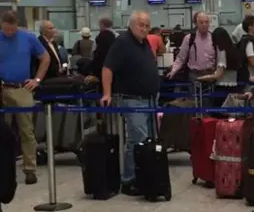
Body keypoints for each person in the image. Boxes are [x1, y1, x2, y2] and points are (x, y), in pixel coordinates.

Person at [100, 11, 159, 196]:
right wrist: (107, 93)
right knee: (136, 140)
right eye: (141, 24)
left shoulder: (144, 44)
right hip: (132, 99)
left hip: (148, 99)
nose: (144, 28)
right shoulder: (123, 43)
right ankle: (129, 179)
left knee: (145, 140)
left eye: (147, 25)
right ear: (132, 25)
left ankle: (142, 176)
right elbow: (107, 68)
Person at [0, 11, 49, 185]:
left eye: (12, 30)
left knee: (27, 130)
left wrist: (37, 79)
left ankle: (30, 169)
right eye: (6, 30)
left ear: (17, 25)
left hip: (22, 88)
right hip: (2, 87)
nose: (9, 33)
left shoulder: (28, 38)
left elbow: (45, 58)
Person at [167, 12, 218, 83]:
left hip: (211, 75)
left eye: (206, 22)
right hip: (194, 76)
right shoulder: (189, 38)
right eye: (201, 22)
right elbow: (181, 58)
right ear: (196, 24)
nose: (204, 25)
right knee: (194, 94)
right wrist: (173, 70)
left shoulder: (214, 38)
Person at [87, 17, 118, 83]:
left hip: (101, 69)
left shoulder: (99, 37)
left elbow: (93, 53)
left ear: (102, 25)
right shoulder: (117, 36)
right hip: (115, 68)